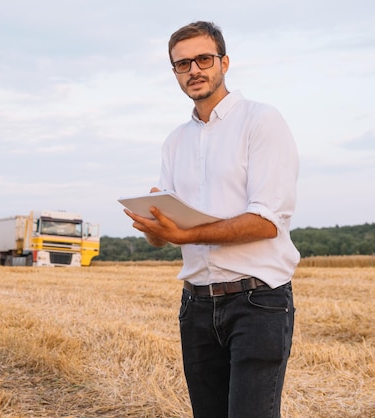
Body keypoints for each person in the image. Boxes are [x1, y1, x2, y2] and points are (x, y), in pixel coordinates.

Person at [124, 21, 300, 418]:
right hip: (197, 306)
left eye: (203, 59)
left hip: (258, 302)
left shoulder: (261, 121)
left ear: (224, 62)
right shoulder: (175, 141)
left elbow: (267, 221)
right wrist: (155, 227)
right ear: (174, 73)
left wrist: (183, 233)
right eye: (182, 64)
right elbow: (165, 237)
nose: (194, 70)